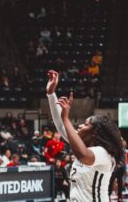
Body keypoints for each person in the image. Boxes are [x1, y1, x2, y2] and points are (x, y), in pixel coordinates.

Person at [46, 70, 124, 201]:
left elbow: (82, 155)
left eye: (86, 124)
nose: (80, 126)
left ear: (95, 133)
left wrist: (66, 118)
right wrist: (51, 94)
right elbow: (60, 126)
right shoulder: (83, 147)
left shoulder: (104, 154)